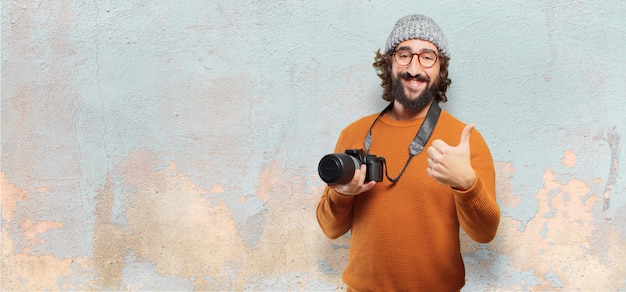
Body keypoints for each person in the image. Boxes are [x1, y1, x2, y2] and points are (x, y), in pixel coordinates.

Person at [316, 14, 500, 291]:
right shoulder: (353, 134)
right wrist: (342, 194)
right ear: (388, 63)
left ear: (441, 69)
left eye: (428, 56)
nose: (415, 68)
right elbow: (330, 230)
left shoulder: (464, 141)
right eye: (404, 55)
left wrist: (466, 184)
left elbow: (484, 234)